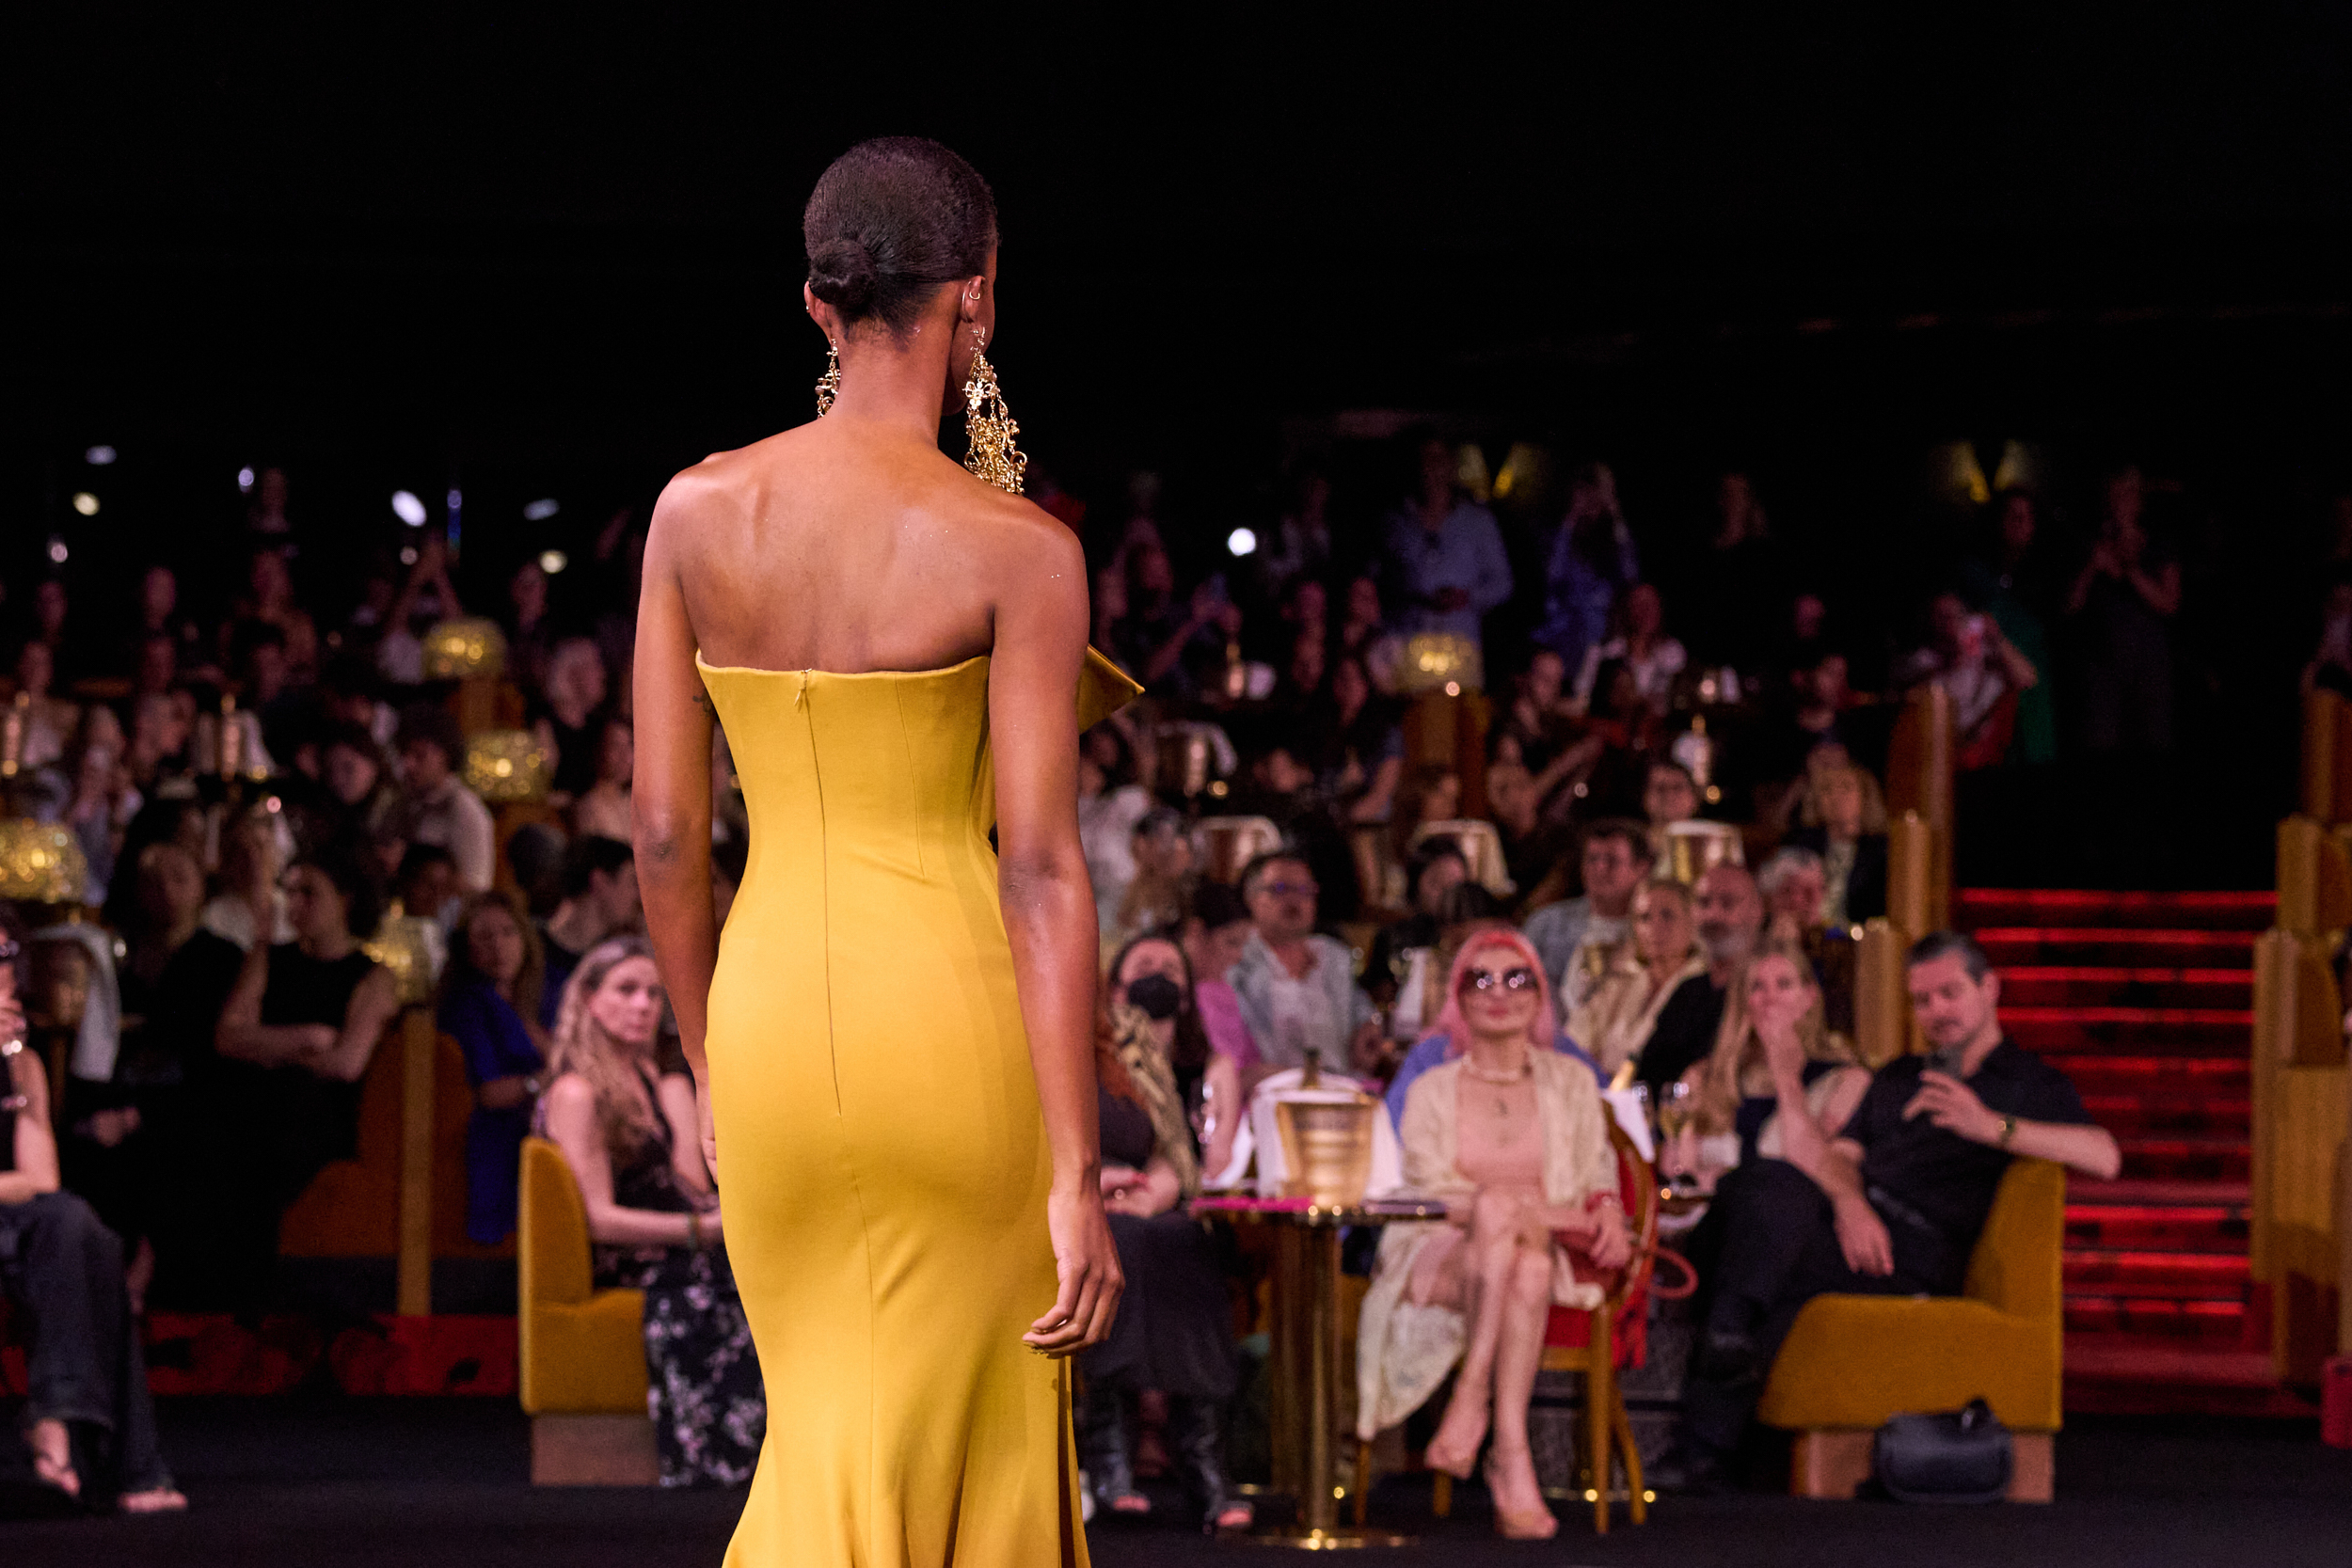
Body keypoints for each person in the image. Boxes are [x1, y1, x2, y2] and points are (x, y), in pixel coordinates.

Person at [629, 137, 1123, 1559]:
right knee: (968, 1432)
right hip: (952, 1028)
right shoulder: (1017, 550)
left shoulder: (694, 511)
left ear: (814, 302)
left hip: (774, 1020)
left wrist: (707, 1058)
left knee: (831, 1425)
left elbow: (667, 832)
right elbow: (1039, 868)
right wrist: (1077, 1175)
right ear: (977, 298)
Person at [1660, 931, 2122, 1492]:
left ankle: (1715, 1378)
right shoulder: (1901, 1076)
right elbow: (1838, 1160)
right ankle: (1715, 1432)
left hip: (1919, 1252)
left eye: (1950, 994)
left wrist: (1992, 1127)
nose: (1937, 1012)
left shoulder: (2025, 1080)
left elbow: (2104, 1156)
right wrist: (1852, 1205)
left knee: (1758, 1227)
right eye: (1923, 1001)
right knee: (1770, 1191)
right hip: (1852, 1226)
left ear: (1989, 989)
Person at [1355, 930, 1630, 1540]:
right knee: (1501, 1217)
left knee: (1527, 1266)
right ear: (1458, 997)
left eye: (1517, 977)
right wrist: (1520, 1208)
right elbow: (1429, 1195)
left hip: (1533, 1254)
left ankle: (1485, 1417)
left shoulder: (1571, 1082)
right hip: (1435, 1252)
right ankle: (1505, 1442)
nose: (1499, 992)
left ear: (1539, 996)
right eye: (1481, 979)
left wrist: (1599, 1208)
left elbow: (1595, 1175)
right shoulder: (1430, 1087)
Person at [537, 937, 762, 1486]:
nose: (643, 1006)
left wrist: (679, 1100)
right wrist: (700, 1231)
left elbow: (690, 1184)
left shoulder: (655, 1082)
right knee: (717, 1283)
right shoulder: (576, 1092)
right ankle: (717, 1463)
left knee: (766, 1269)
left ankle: (759, 1460)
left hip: (683, 1246)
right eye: (627, 990)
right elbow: (598, 1218)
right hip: (635, 1257)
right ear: (590, 999)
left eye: (654, 996)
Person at [1, 909, 186, 1514]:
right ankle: (132, 1466)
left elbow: (41, 1178)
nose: (4, 978)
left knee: (78, 1227)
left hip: (14, 1220)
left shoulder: (20, 1064)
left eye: (7, 962)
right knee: (76, 1234)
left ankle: (55, 1418)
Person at [1076, 936, 1251, 1531]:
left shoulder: (1128, 1036)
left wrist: (1158, 1187)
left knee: (1184, 1243)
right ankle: (1108, 1451)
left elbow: (1171, 1144)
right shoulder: (1033, 1038)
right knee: (1119, 1246)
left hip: (1142, 1208)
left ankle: (1202, 1458)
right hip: (1070, 1208)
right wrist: (1089, 1184)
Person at [200, 850, 401, 1310]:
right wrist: (306, 1039)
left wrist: (265, 1047)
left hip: (317, 1113)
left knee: (278, 1115)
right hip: (255, 1099)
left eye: (309, 893)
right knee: (216, 1115)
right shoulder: (269, 958)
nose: (295, 904)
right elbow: (228, 1037)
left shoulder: (372, 976)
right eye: (289, 892)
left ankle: (253, 1298)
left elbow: (346, 1063)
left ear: (346, 900)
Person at [1659, 942, 1867, 1194]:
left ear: (1809, 996)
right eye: (1757, 986)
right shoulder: (1704, 1077)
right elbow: (1678, 1169)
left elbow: (1816, 1173)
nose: (1771, 998)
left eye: (1784, 984)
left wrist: (1785, 1074)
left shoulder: (1845, 1080)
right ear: (1743, 1000)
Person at [438, 891, 548, 1245]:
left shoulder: (534, 1000)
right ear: (466, 948)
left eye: (508, 933)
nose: (499, 946)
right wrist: (544, 1082)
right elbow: (489, 1093)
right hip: (493, 1134)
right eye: (484, 937)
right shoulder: (467, 1004)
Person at [1224, 848, 1381, 1074]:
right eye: (1279, 889)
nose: (1294, 900)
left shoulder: (1335, 957)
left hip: (1341, 1091)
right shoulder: (1237, 963)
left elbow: (1362, 1008)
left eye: (1304, 890)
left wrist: (1369, 1024)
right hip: (1272, 1093)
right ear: (1251, 898)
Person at [1382, 436, 1514, 673]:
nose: (1428, 468)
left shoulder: (1478, 522)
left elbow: (1502, 582)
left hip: (1460, 645)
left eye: (1436, 460)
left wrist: (1467, 597)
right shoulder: (1396, 522)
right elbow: (1379, 581)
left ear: (1450, 465)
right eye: (1422, 460)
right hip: (1407, 642)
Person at [1566, 877, 1708, 1087]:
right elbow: (1574, 1041)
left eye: (1667, 916)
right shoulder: (1622, 982)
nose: (1654, 927)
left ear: (1692, 920)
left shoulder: (1704, 987)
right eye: (1644, 918)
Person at [1523, 818, 1653, 999]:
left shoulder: (1653, 929)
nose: (1599, 868)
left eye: (1612, 860)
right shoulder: (1546, 924)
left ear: (1641, 868)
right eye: (1592, 859)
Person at [1534, 461, 1640, 677]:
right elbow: (1552, 575)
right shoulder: (1557, 536)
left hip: (1604, 637)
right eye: (1585, 492)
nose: (1592, 501)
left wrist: (1615, 515)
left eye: (1597, 493)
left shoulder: (1615, 540)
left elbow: (1631, 577)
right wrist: (1570, 520)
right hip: (1564, 634)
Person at [536, 834, 640, 1027]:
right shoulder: (531, 951)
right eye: (632, 881)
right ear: (599, 881)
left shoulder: (615, 959)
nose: (638, 895)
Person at [393, 704, 495, 893]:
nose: (408, 764)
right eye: (404, 754)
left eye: (419, 755)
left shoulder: (466, 810)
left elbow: (476, 888)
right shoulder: (403, 802)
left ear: (444, 755)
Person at [1786, 765, 1889, 926]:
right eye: (1826, 789)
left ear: (1865, 796)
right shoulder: (1802, 845)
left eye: (1846, 788)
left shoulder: (1882, 852)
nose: (1836, 796)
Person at [572, 717, 636, 843]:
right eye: (615, 745)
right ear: (599, 750)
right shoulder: (589, 806)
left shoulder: (633, 803)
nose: (624, 756)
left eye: (629, 745)